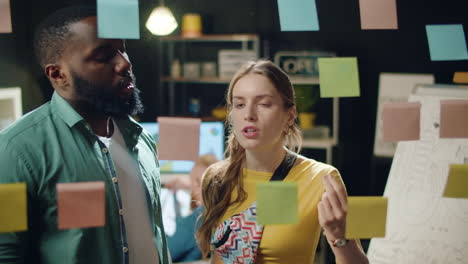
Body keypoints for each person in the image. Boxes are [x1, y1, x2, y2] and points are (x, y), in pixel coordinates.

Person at [0, 6, 170, 264]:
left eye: (122, 48)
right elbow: (5, 250)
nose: (124, 63)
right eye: (103, 56)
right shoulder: (16, 150)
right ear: (58, 75)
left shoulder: (141, 139)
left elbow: (153, 236)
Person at [196, 60, 369, 264]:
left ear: (289, 115)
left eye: (264, 104)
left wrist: (340, 238)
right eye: (240, 104)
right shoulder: (216, 177)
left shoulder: (319, 178)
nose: (249, 115)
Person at [162, 154, 219, 262]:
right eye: (193, 181)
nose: (194, 188)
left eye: (198, 181)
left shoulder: (202, 215)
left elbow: (166, 251)